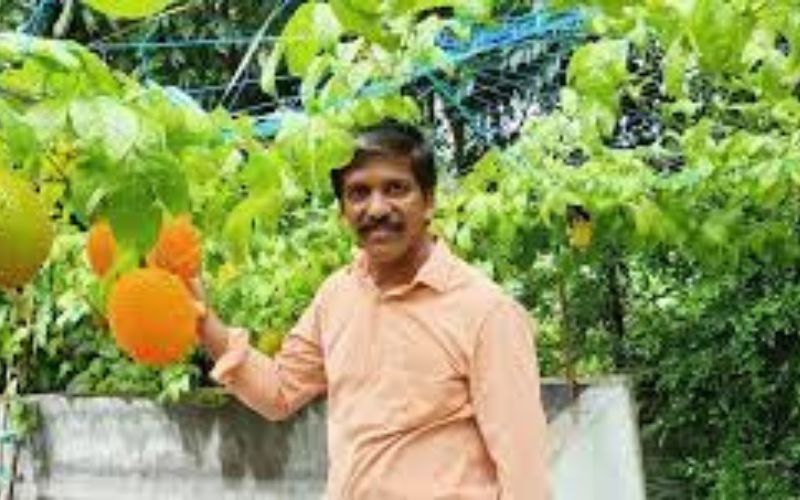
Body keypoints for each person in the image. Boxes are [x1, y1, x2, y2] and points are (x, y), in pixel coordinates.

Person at [192, 120, 550, 499]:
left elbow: (523, 469)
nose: (376, 208)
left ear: (429, 201)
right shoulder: (337, 296)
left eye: (396, 188)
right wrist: (203, 321)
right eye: (358, 193)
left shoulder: (486, 312)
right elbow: (280, 393)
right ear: (343, 211)